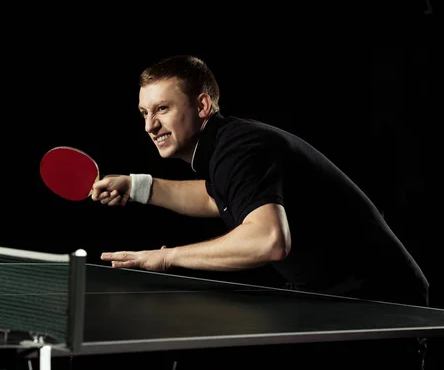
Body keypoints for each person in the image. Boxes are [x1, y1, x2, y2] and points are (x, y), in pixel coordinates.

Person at [90, 55, 430, 369]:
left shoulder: (239, 150)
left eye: (162, 108)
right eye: (144, 113)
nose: (150, 126)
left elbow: (268, 240)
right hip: (340, 300)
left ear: (203, 105)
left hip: (382, 308)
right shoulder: (229, 146)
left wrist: (164, 259)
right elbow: (214, 198)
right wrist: (135, 186)